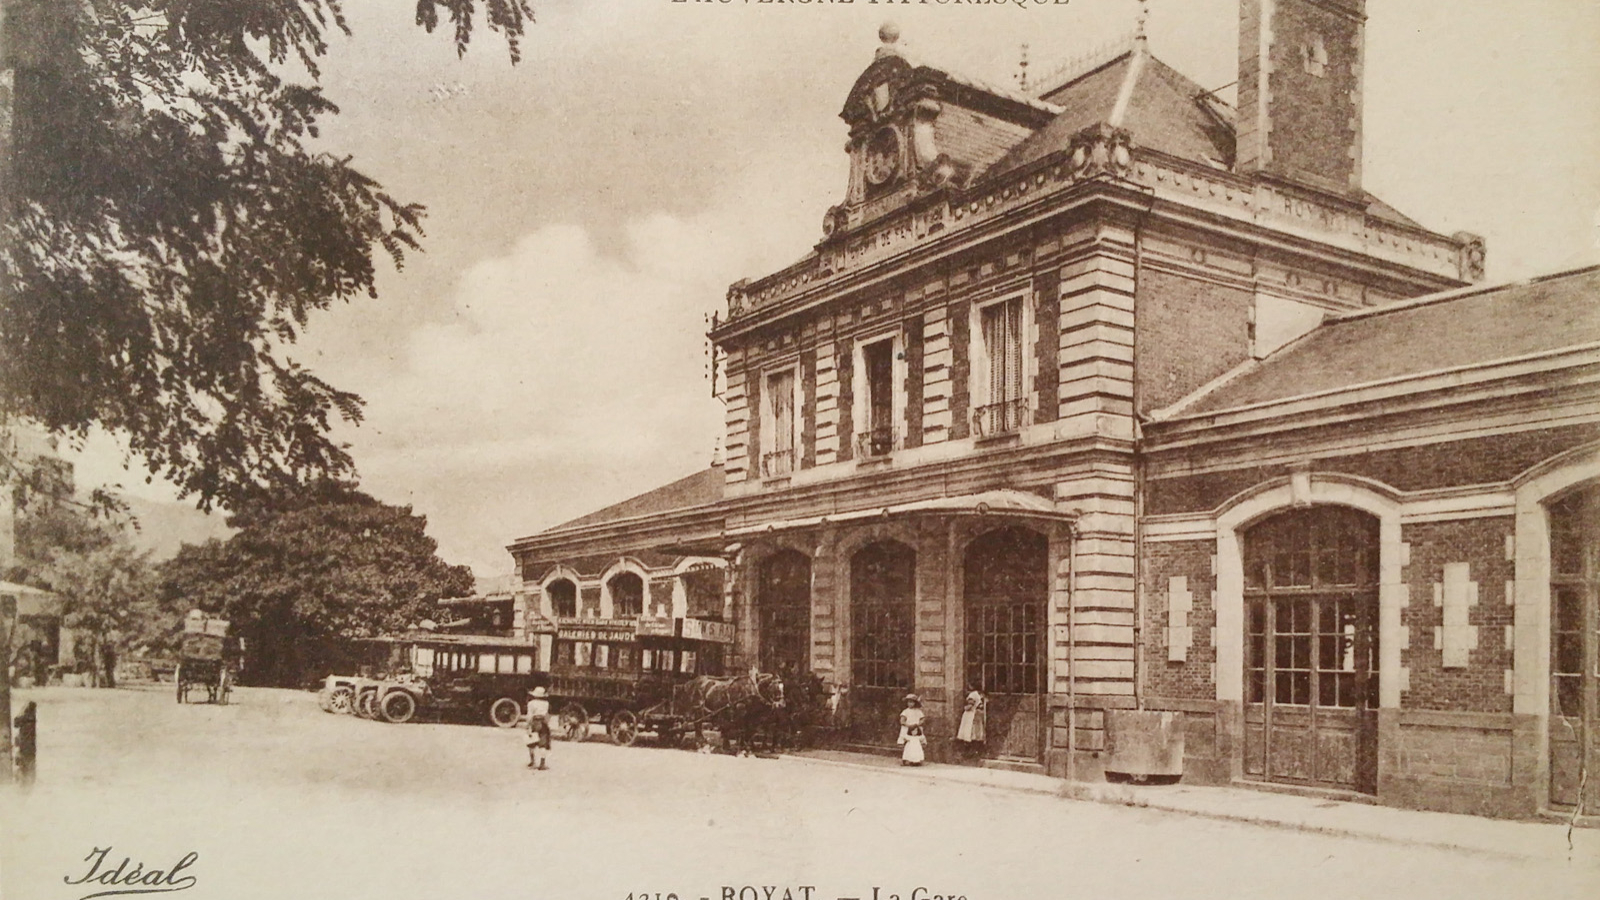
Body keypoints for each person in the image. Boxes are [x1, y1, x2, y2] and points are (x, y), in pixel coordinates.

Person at [525, 686, 552, 770]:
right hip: (543, 723)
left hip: (535, 722)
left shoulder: (531, 703)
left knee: (531, 742)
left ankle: (532, 762)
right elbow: (548, 715)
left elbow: (529, 715)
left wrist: (528, 726)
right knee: (543, 744)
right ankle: (542, 764)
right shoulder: (546, 704)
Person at [956, 684, 986, 753]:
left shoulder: (973, 695)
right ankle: (973, 749)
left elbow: (969, 706)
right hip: (974, 714)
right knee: (972, 732)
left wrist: (965, 707)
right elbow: (980, 706)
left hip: (970, 715)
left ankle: (968, 750)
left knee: (968, 731)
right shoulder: (977, 695)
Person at [897, 693, 926, 767]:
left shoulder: (918, 711)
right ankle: (905, 759)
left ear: (915, 703)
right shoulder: (905, 711)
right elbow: (902, 721)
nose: (910, 704)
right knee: (906, 744)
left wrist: (918, 724)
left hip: (916, 728)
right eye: (908, 702)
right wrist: (908, 725)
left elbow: (922, 719)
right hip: (907, 729)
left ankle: (916, 759)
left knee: (916, 744)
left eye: (912, 702)